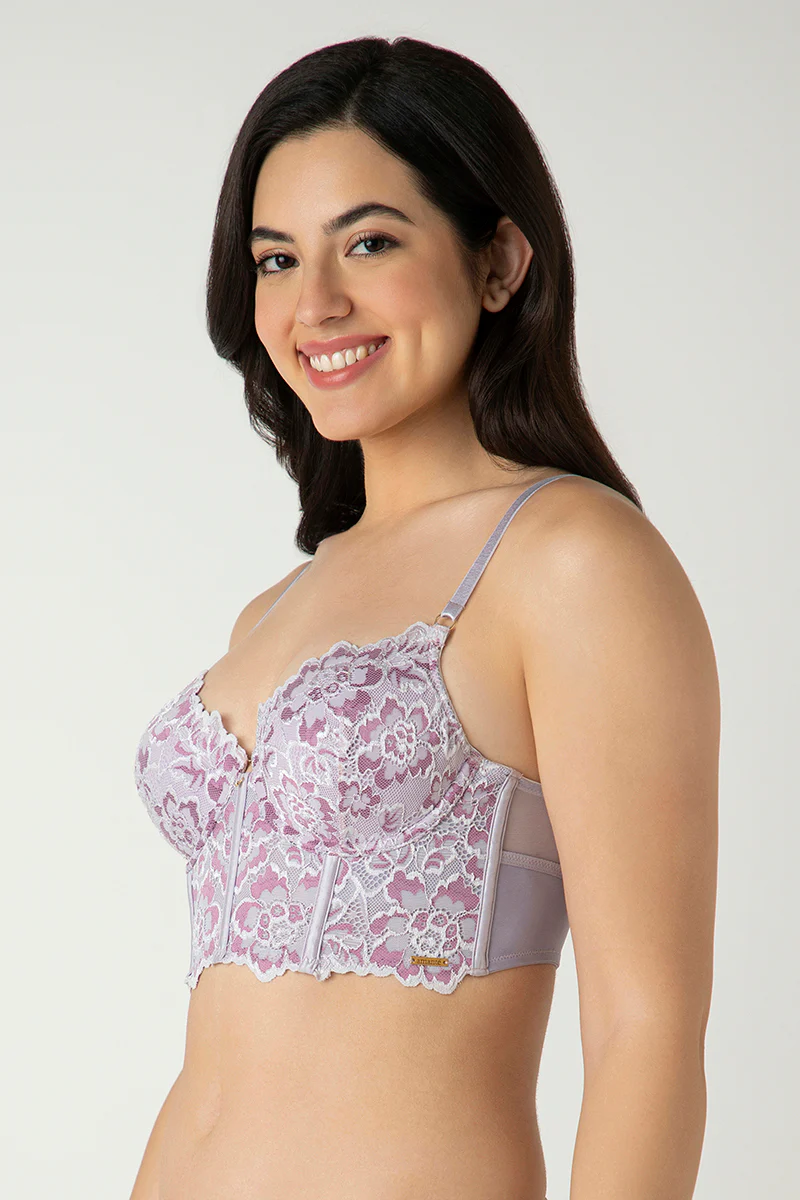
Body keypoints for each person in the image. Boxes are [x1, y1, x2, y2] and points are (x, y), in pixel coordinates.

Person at [129, 35, 719, 1200]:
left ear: (497, 261)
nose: (315, 303)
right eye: (276, 258)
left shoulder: (571, 560)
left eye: (368, 242)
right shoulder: (275, 608)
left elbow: (645, 1035)